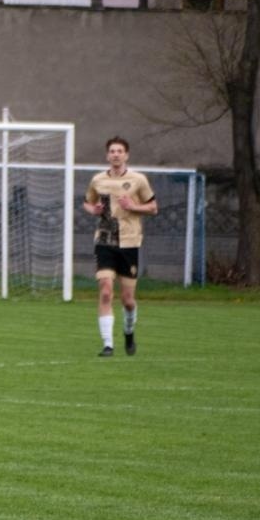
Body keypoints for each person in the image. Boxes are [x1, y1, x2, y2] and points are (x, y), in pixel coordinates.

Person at [82, 135, 157, 357]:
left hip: (129, 242)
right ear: (107, 155)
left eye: (119, 151)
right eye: (112, 151)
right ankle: (108, 345)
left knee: (128, 300)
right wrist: (92, 210)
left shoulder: (138, 180)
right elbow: (87, 202)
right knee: (105, 291)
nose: (115, 154)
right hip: (105, 241)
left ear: (126, 155)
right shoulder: (98, 180)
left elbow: (153, 207)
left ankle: (129, 331)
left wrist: (134, 206)